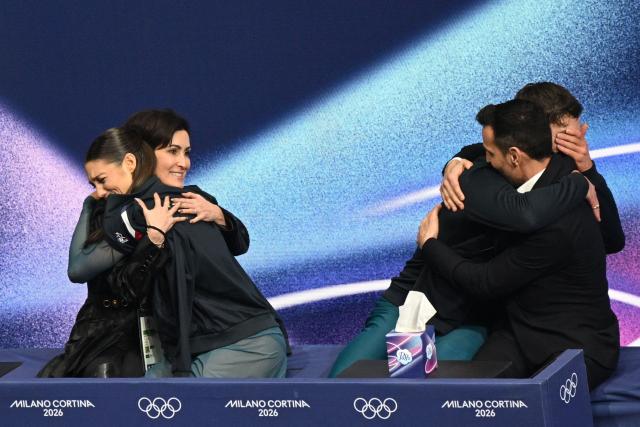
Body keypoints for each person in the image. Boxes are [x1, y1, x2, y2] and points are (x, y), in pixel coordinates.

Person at [328, 82, 624, 378]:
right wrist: (578, 182)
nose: (578, 142)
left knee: (437, 388)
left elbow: (609, 238)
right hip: (422, 299)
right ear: (528, 140)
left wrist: (588, 171)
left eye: (577, 135)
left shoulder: (560, 183)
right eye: (568, 136)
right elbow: (524, 213)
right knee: (345, 381)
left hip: (478, 312)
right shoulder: (479, 176)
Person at [418, 100, 620, 389]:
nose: (486, 162)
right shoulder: (537, 178)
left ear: (514, 156)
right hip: (517, 335)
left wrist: (430, 244)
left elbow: (486, 281)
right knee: (467, 398)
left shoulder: (558, 218)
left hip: (578, 345)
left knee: (541, 408)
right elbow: (480, 156)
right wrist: (453, 162)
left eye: (490, 154)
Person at [94, 110, 288, 378]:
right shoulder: (143, 209)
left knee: (169, 407)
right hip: (196, 345)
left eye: (186, 152)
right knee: (140, 402)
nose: (183, 162)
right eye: (173, 151)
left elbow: (240, 243)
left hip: (246, 342)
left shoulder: (192, 199)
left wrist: (219, 215)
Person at [38, 128, 184, 377]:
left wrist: (221, 217)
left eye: (102, 180)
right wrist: (88, 206)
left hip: (145, 328)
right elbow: (76, 271)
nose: (98, 191)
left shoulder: (157, 208)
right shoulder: (99, 208)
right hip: (96, 325)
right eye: (92, 184)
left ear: (129, 163)